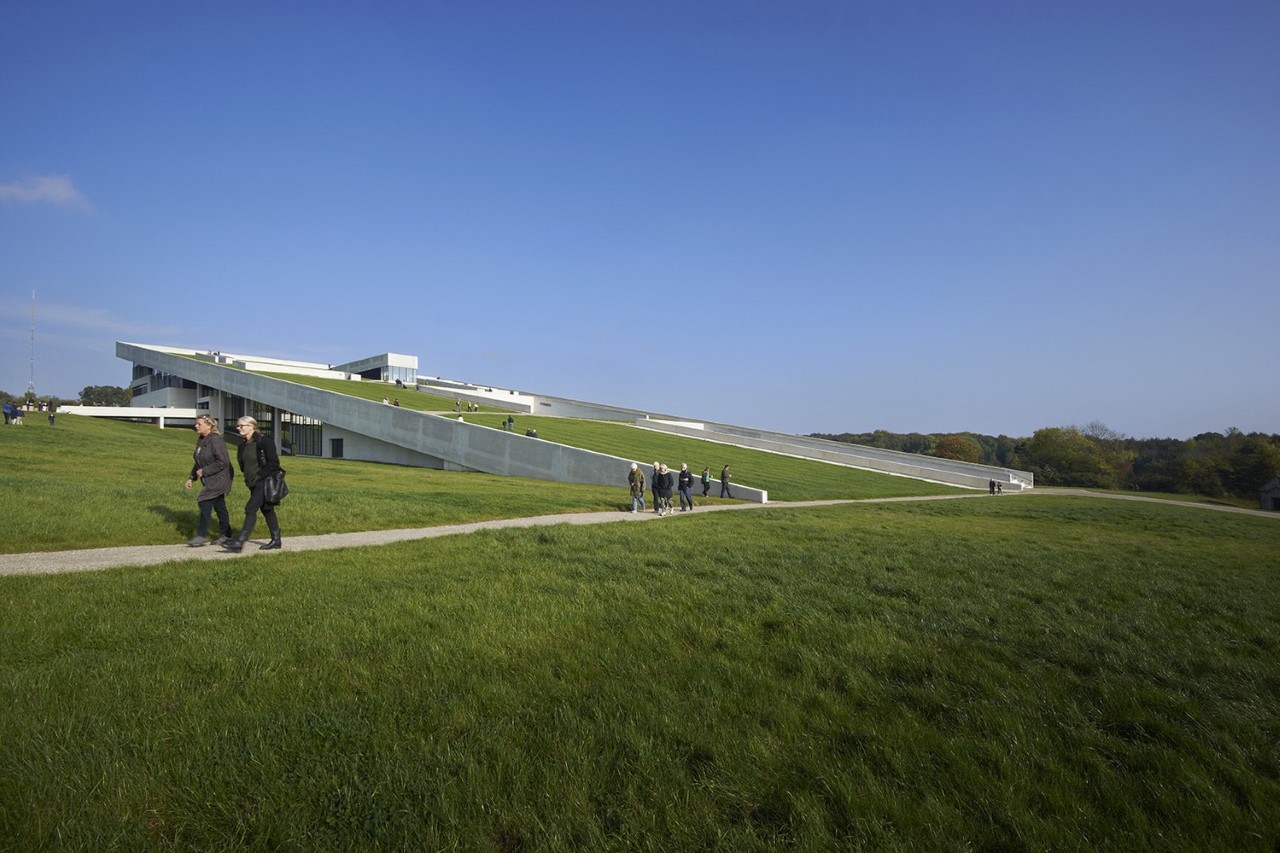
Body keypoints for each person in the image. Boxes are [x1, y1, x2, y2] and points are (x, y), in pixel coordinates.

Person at [223, 416, 284, 552]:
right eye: (237, 426)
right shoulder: (243, 445)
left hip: (264, 482)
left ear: (251, 426)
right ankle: (276, 540)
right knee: (267, 510)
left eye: (241, 425)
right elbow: (244, 465)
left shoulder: (264, 441)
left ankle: (239, 542)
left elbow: (274, 463)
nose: (238, 428)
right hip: (252, 483)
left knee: (250, 508)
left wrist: (260, 475)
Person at [184, 414, 235, 546]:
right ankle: (227, 534)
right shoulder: (202, 439)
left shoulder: (215, 440)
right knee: (219, 505)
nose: (196, 426)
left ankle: (201, 535)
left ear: (209, 426)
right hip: (210, 478)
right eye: (196, 423)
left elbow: (223, 462)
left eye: (199, 424)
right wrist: (192, 477)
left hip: (221, 477)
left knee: (204, 500)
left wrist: (205, 471)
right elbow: (199, 461)